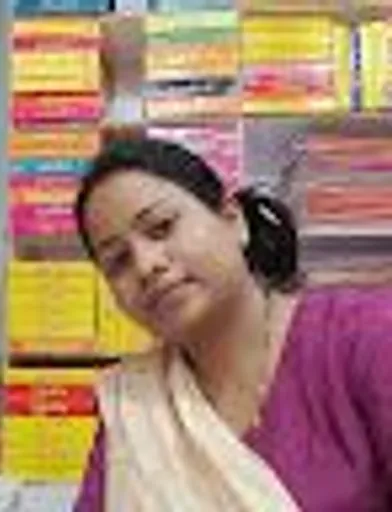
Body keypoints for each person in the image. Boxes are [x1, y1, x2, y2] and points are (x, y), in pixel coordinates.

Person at [72, 136, 392, 511]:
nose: (146, 265)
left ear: (233, 220)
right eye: (118, 261)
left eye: (161, 227)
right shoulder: (136, 407)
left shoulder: (367, 337)